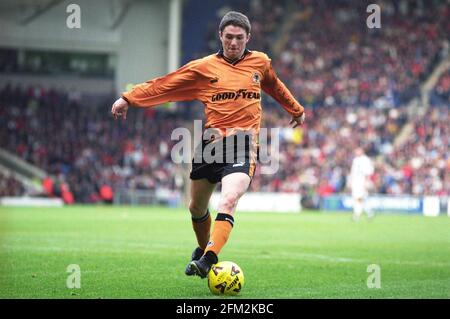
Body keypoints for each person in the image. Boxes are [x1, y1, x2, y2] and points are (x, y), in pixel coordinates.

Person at [111, 11, 306, 278]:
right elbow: (166, 85)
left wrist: (295, 109)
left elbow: (275, 85)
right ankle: (204, 251)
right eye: (229, 37)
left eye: (239, 38)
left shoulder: (260, 63)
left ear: (248, 37)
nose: (234, 43)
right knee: (196, 208)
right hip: (211, 144)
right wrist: (128, 98)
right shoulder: (204, 68)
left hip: (244, 143)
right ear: (220, 36)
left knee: (228, 199)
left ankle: (208, 259)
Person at [350, 147, 374, 221]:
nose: (356, 152)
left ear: (362, 151)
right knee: (361, 198)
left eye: (358, 151)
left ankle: (357, 214)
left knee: (359, 198)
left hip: (362, 181)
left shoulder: (366, 160)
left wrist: (366, 181)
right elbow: (353, 172)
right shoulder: (355, 160)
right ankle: (369, 212)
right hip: (355, 181)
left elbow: (368, 172)